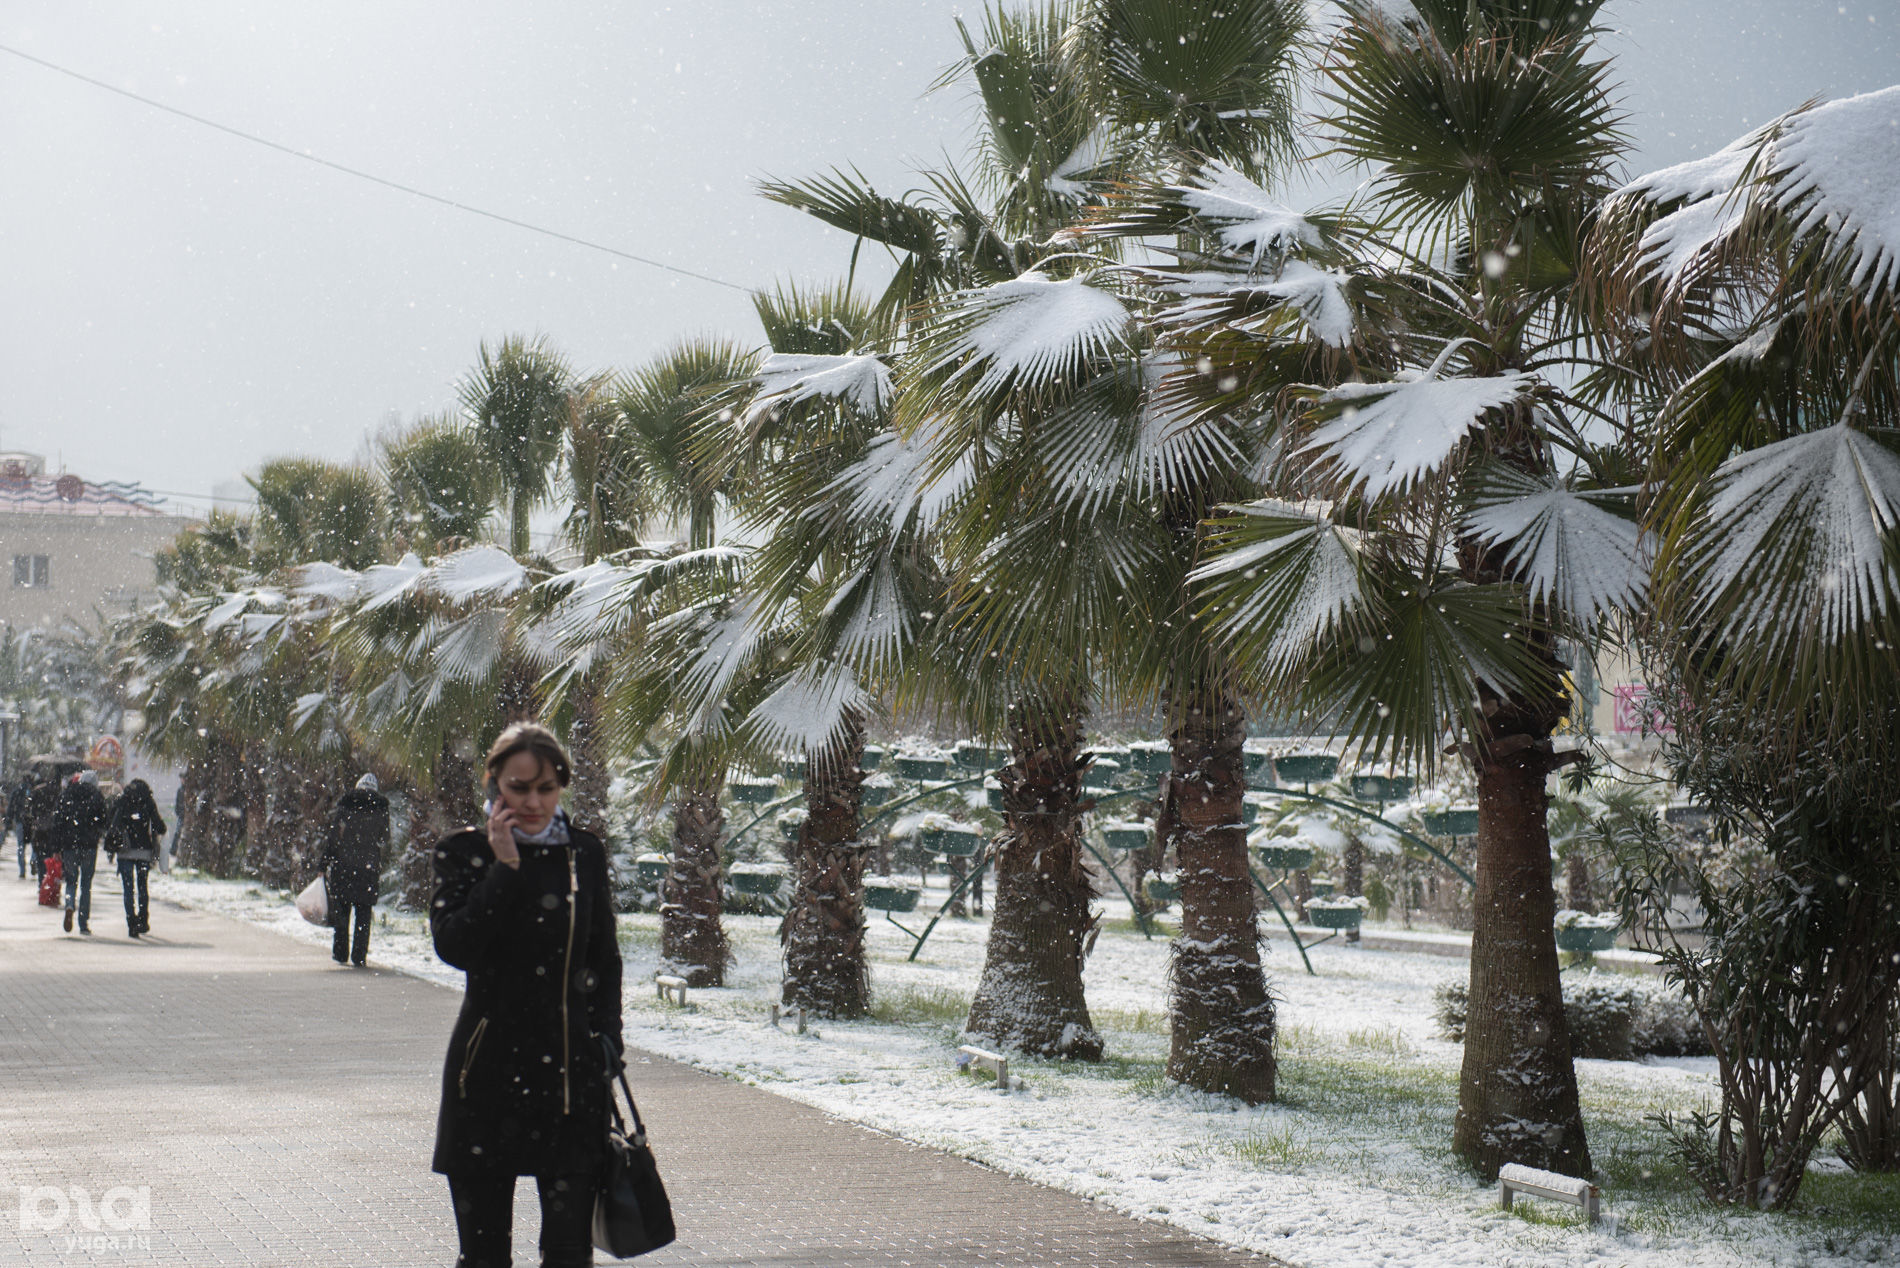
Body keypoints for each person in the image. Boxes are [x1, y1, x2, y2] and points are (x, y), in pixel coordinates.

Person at [430, 723, 623, 1268]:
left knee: (568, 1255)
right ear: (495, 785)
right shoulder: (463, 852)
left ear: (562, 785)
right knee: (485, 1257)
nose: (533, 801)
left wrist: (608, 1040)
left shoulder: (582, 854)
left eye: (546, 788)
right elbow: (455, 945)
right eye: (519, 788)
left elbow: (604, 960)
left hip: (569, 1083)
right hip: (485, 1079)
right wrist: (505, 867)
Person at [320, 773, 389, 967]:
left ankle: (341, 953)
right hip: (368, 868)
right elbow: (384, 839)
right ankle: (359, 956)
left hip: (344, 866)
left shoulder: (346, 805)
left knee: (342, 910)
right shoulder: (381, 808)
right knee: (363, 914)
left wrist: (323, 865)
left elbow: (333, 838)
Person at [104, 778, 166, 938]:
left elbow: (111, 821)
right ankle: (143, 920)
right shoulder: (148, 801)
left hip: (125, 849)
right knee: (142, 886)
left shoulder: (122, 800)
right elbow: (159, 826)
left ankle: (131, 922)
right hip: (144, 850)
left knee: (128, 888)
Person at [53, 770, 109, 935]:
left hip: (70, 845)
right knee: (86, 884)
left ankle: (69, 904)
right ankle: (83, 922)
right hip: (89, 845)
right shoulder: (97, 796)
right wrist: (96, 831)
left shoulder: (67, 794)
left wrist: (56, 847)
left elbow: (58, 822)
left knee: (71, 880)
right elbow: (104, 820)